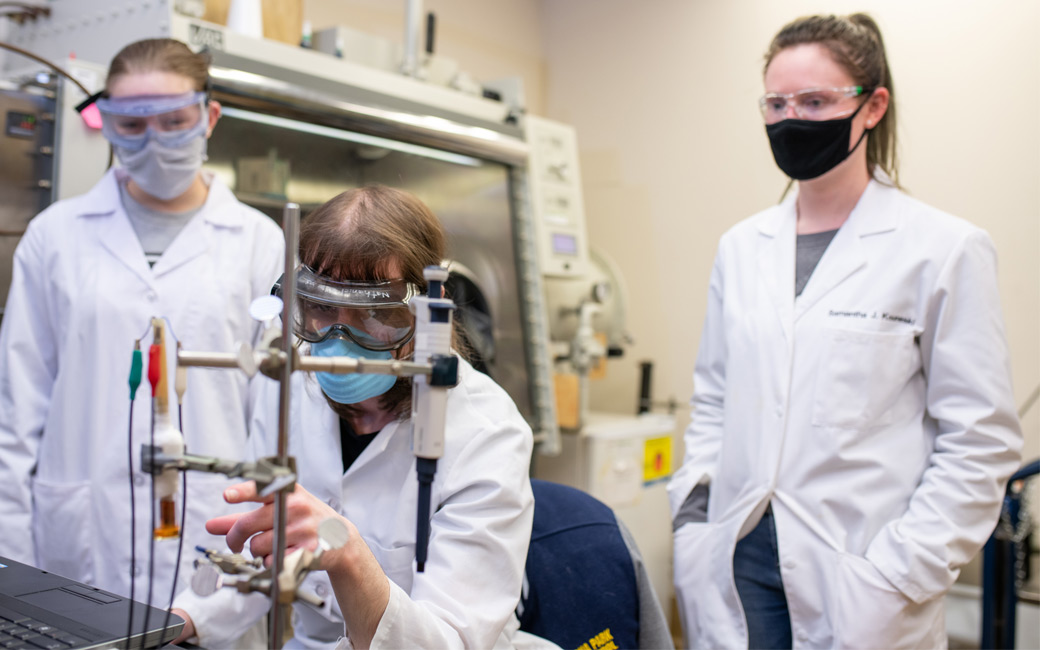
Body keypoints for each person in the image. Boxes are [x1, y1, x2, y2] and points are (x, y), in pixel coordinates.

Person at [667, 13, 1023, 649]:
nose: (791, 118)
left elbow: (980, 439)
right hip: (737, 555)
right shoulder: (742, 247)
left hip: (863, 572)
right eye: (776, 102)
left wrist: (903, 569)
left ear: (872, 106)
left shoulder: (942, 249)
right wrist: (692, 518)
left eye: (814, 100)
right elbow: (715, 398)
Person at [175, 185, 558, 649]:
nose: (337, 337)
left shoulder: (486, 432)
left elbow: (447, 642)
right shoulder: (290, 388)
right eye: (319, 308)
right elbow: (259, 555)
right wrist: (181, 620)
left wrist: (346, 554)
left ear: (425, 315)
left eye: (373, 315)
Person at [0, 37, 283, 646]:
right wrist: (12, 577)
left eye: (174, 122)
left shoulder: (259, 243)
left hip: (215, 537)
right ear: (106, 124)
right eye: (131, 124)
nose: (153, 140)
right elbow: (15, 417)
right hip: (75, 544)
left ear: (208, 117)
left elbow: (278, 425)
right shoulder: (55, 237)